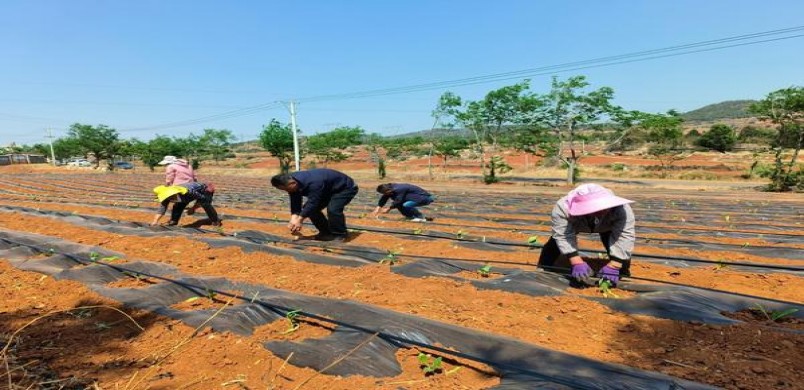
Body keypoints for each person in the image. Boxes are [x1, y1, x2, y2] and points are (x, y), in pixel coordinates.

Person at [537, 183, 635, 287]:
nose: (601, 211)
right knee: (554, 243)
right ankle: (545, 267)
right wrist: (576, 261)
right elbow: (562, 235)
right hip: (577, 223)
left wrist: (615, 265)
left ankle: (622, 273)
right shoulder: (563, 207)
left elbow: (625, 235)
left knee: (615, 246)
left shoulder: (622, 209)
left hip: (607, 226)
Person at [270, 168, 359, 242]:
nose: (287, 191)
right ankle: (326, 233)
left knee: (333, 209)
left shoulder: (313, 182)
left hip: (345, 188)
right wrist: (294, 218)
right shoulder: (291, 182)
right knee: (311, 210)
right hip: (327, 190)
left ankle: (340, 235)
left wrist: (300, 220)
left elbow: (313, 202)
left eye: (287, 189)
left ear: (292, 183)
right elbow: (295, 201)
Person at [150, 182, 222, 227]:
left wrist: (193, 208)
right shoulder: (166, 197)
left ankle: (215, 221)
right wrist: (155, 221)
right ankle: (173, 221)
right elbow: (162, 209)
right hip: (187, 196)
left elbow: (202, 198)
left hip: (205, 189)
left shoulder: (187, 192)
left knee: (205, 204)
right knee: (177, 206)